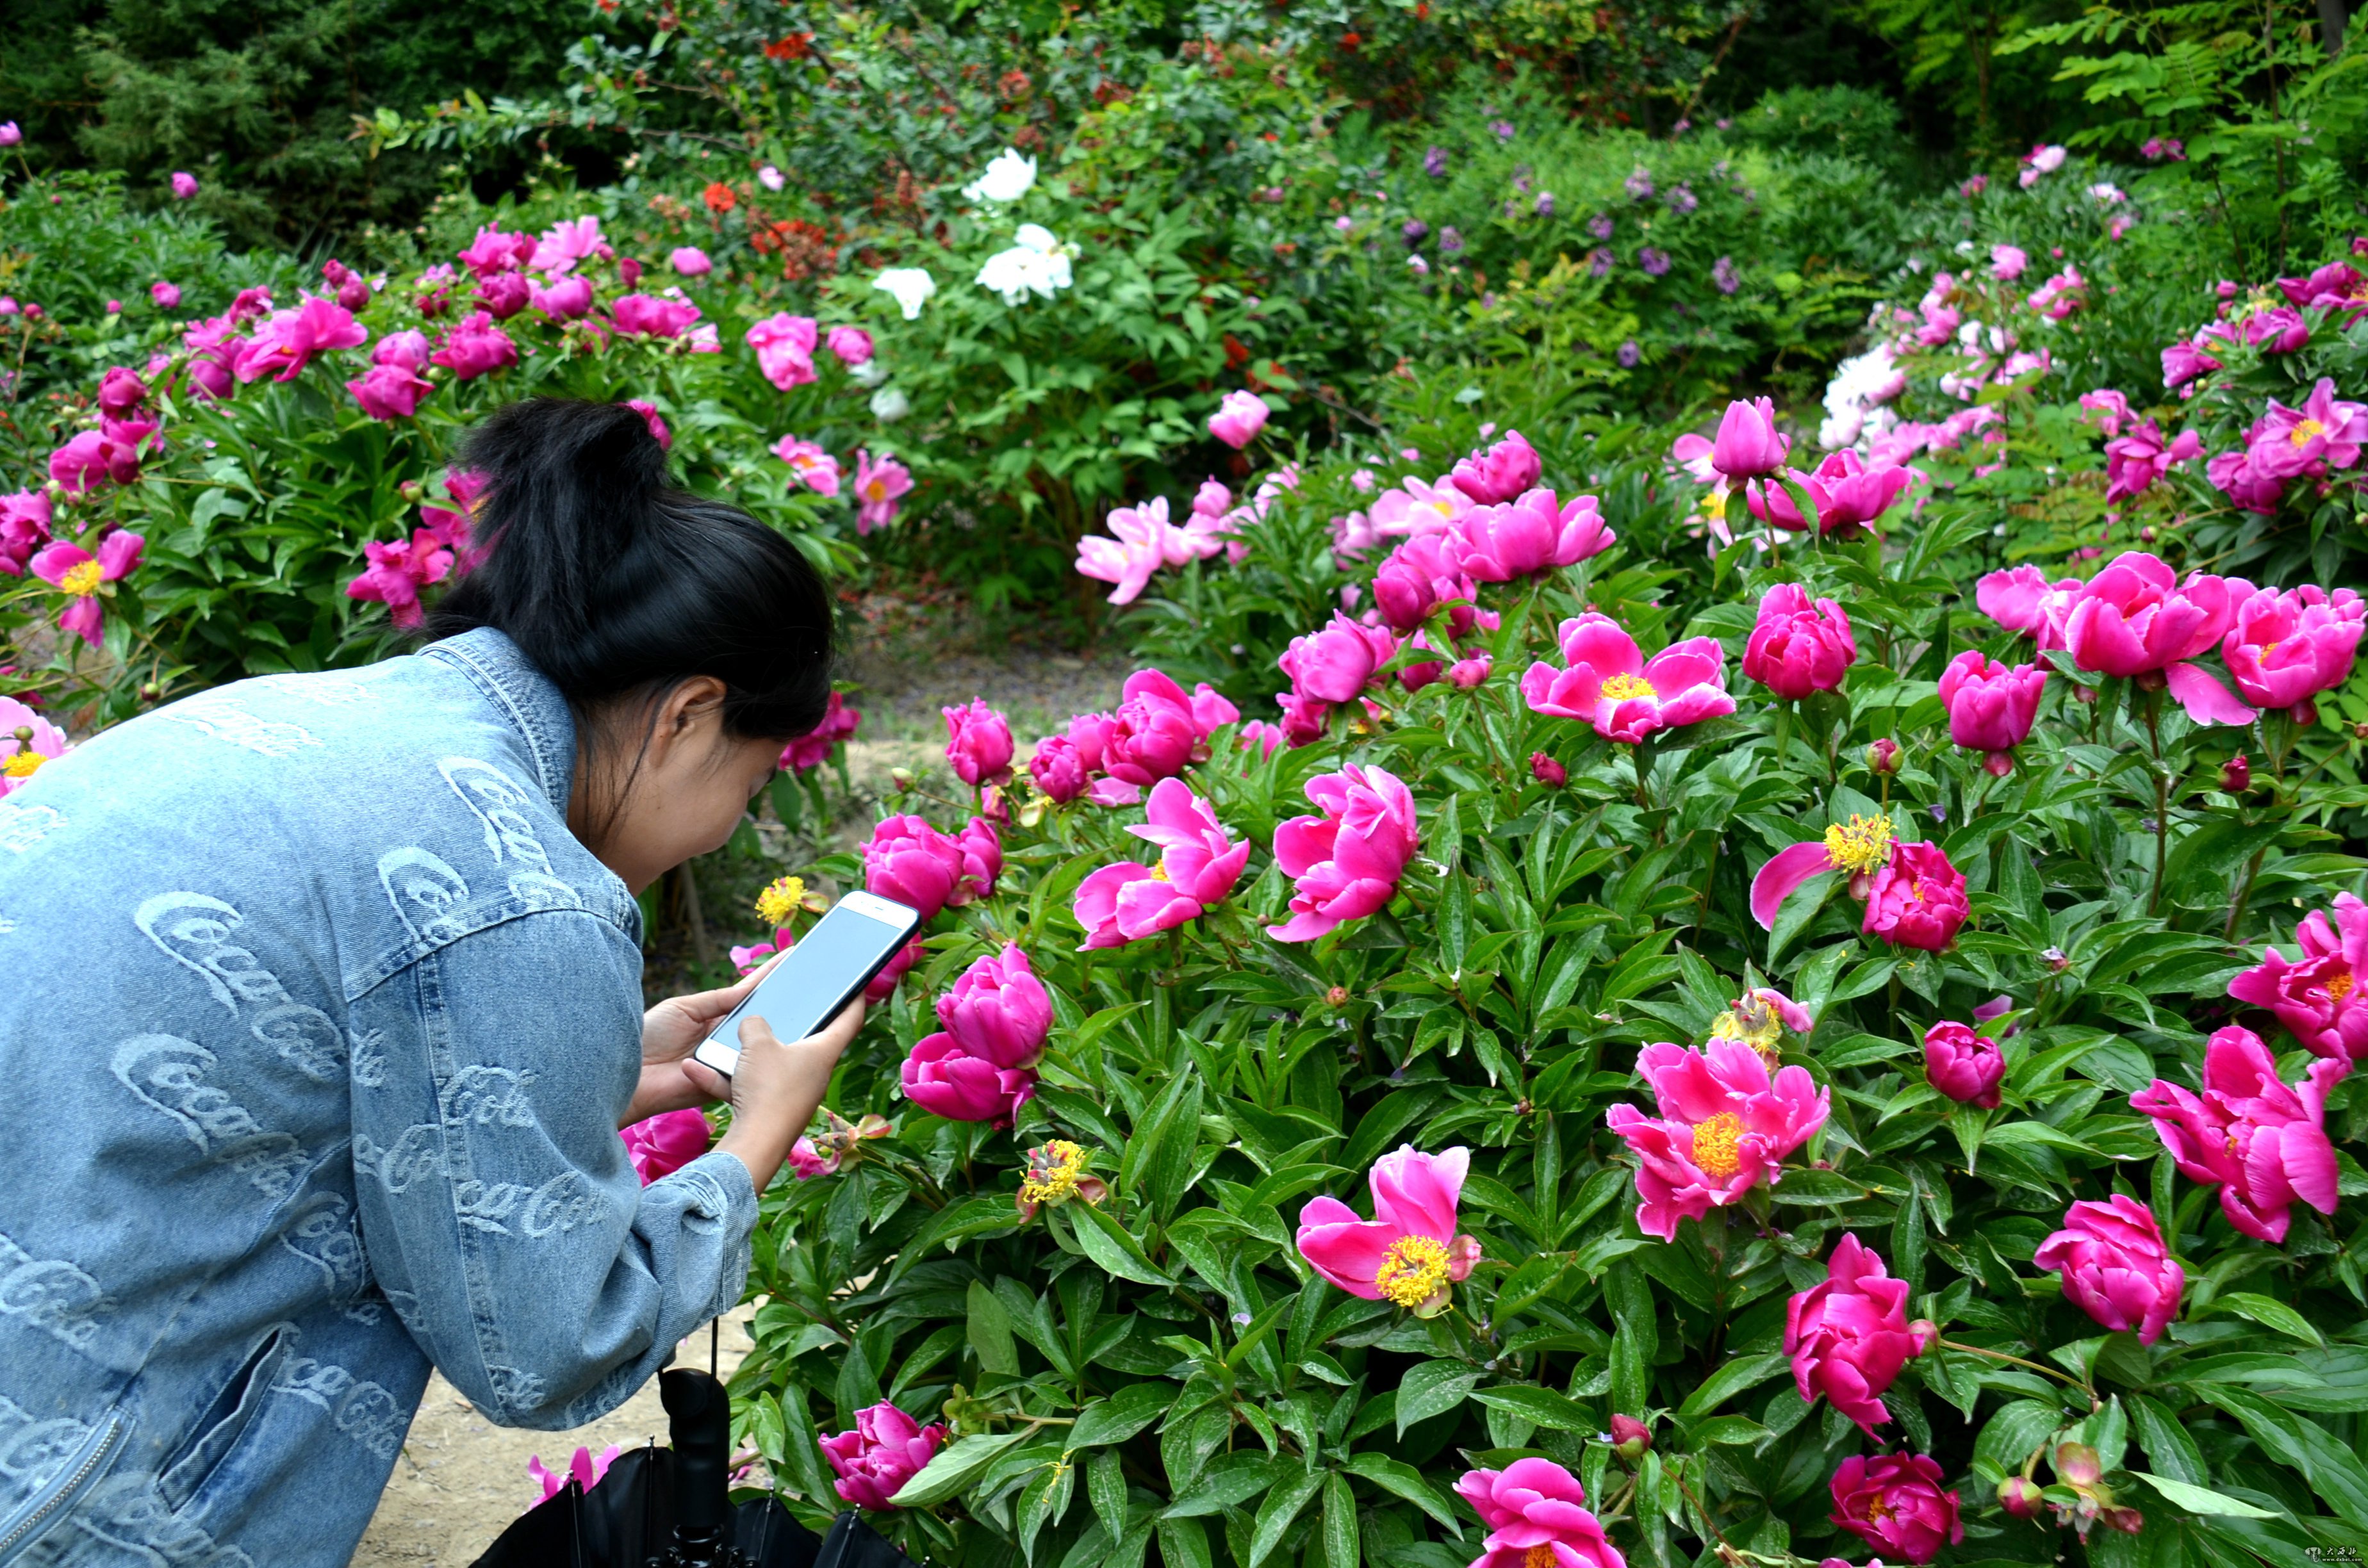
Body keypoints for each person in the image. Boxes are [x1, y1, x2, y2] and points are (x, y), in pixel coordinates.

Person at [0, 398, 857, 1566]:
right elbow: (548, 1347)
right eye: (752, 783)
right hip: (57, 1484)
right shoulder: (516, 889)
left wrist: (592, 1066)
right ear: (691, 713)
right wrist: (753, 1145)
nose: (732, 824)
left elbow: (289, 1045)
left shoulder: (323, 715)